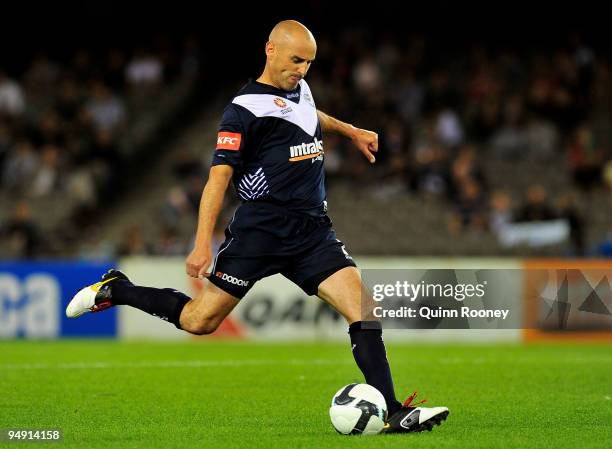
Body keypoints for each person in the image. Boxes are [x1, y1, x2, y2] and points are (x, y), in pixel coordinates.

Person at [66, 20, 448, 433]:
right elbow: (218, 178)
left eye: (309, 62)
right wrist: (201, 244)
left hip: (312, 232)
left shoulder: (298, 88)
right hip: (259, 232)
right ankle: (119, 289)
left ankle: (391, 410)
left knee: (364, 309)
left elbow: (309, 115)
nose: (302, 69)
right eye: (296, 60)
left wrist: (351, 131)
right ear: (270, 50)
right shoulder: (242, 110)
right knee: (200, 321)